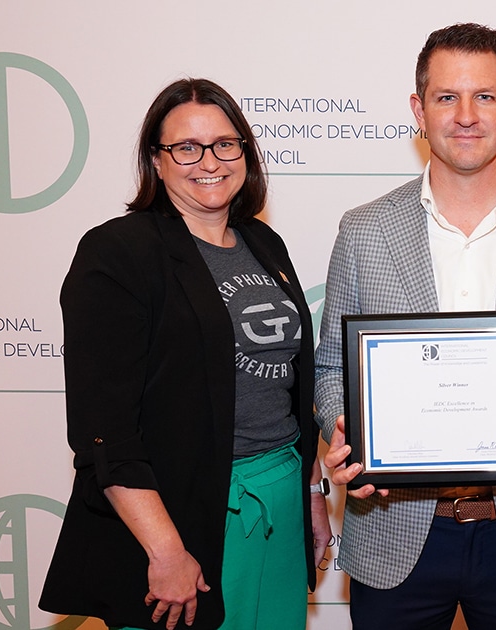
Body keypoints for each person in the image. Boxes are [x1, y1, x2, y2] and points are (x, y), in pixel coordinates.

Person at [314, 23, 496, 630]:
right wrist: (345, 424)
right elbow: (329, 372)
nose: (467, 115)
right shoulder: (363, 230)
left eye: (485, 96)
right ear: (419, 109)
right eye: (447, 97)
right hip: (393, 532)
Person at [39, 78, 329, 630]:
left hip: (280, 502)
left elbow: (292, 386)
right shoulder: (117, 253)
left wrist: (310, 492)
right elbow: (105, 430)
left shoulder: (263, 243)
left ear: (244, 150)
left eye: (225, 143)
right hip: (181, 515)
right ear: (157, 158)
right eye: (186, 148)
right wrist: (166, 551)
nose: (209, 162)